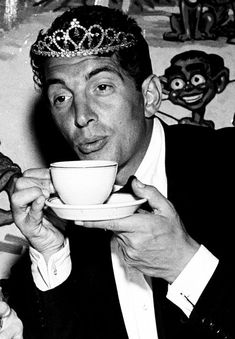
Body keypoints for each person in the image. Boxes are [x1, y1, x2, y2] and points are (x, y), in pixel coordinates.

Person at [6, 5, 235, 339]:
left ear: (150, 95)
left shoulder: (227, 164)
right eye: (61, 97)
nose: (80, 116)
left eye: (101, 87)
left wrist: (184, 265)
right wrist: (51, 253)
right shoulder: (63, 212)